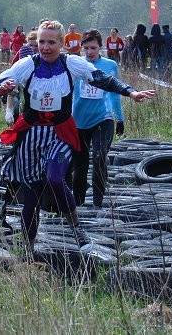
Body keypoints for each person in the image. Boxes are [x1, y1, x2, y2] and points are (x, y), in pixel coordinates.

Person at [0, 20, 155, 256]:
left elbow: (102, 79)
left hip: (60, 133)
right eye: (42, 42)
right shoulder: (27, 65)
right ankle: (28, 252)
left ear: (61, 44)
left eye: (51, 42)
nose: (45, 47)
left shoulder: (72, 64)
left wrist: (130, 92)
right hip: (31, 135)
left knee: (55, 178)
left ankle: (76, 227)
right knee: (31, 198)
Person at [71, 29, 125, 208]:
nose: (89, 52)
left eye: (93, 48)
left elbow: (115, 93)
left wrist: (120, 118)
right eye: (86, 48)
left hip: (103, 118)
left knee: (100, 156)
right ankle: (78, 204)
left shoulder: (110, 65)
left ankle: (98, 203)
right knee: (80, 164)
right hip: (79, 120)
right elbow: (68, 93)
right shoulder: (76, 64)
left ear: (100, 47)